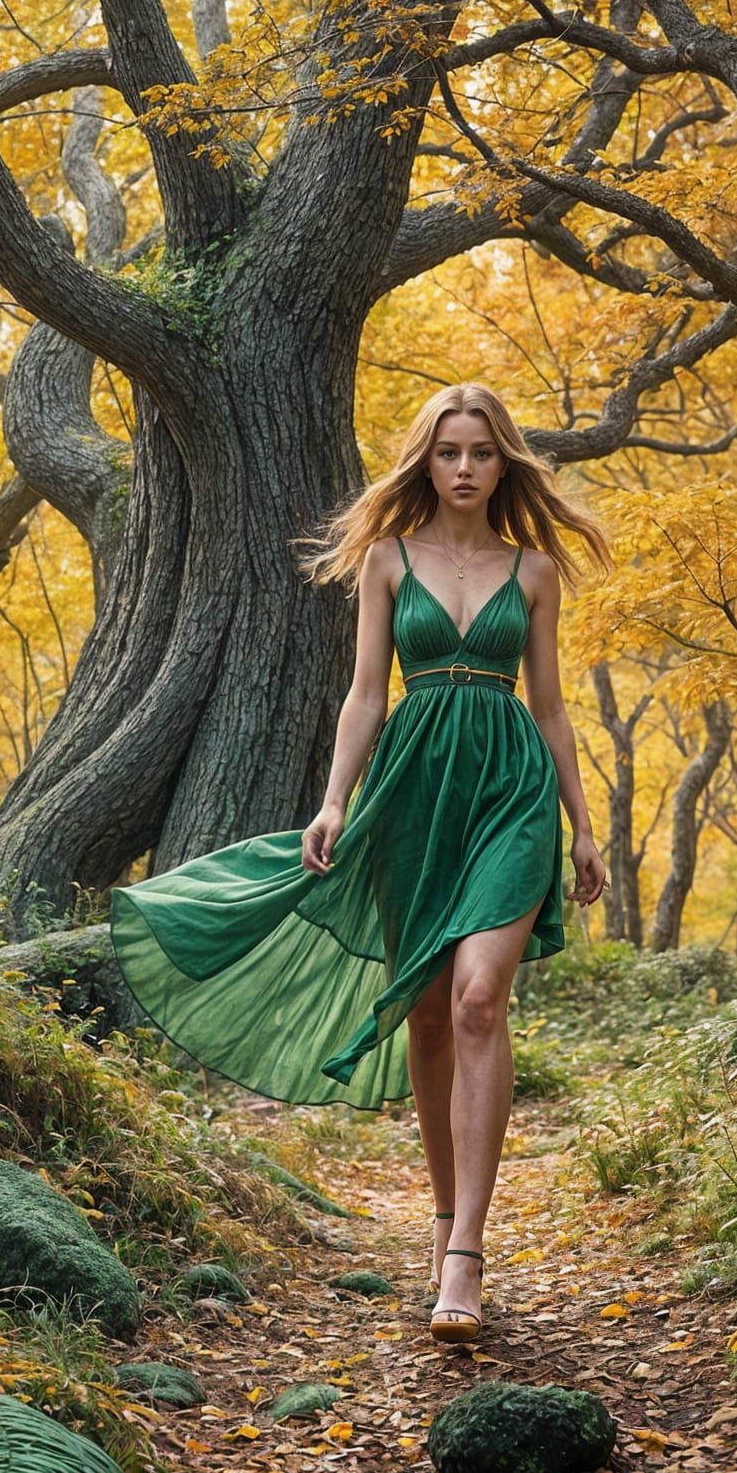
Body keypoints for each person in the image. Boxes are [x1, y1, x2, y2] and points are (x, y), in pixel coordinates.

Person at [111, 382, 610, 1344]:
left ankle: (466, 1249)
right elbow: (364, 697)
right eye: (449, 451)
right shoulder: (385, 560)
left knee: (475, 997)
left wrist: (582, 825)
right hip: (411, 791)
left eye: (482, 452)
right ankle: (439, 1219)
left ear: (505, 462)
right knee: (425, 1008)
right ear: (426, 460)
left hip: (508, 788)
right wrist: (334, 799)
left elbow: (549, 706)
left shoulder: (535, 571)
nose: (465, 468)